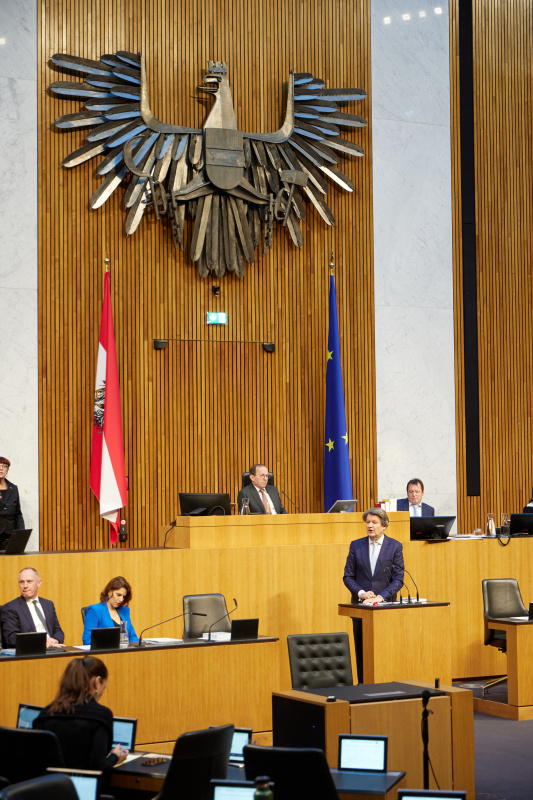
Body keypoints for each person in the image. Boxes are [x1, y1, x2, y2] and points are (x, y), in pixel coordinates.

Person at [33, 656, 128, 773]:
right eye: (104, 687)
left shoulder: (45, 714)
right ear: (97, 682)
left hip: (48, 788)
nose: (103, 691)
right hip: (83, 788)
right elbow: (98, 769)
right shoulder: (101, 716)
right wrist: (115, 757)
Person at [343, 508, 404, 684]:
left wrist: (381, 597)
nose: (370, 525)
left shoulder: (394, 546)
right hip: (362, 610)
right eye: (368, 522)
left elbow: (398, 579)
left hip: (385, 609)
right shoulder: (356, 545)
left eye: (374, 522)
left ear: (384, 525)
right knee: (362, 653)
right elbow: (348, 576)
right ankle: (362, 688)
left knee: (386, 652)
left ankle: (388, 686)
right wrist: (361, 593)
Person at [1, 567, 64, 647]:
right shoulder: (10, 608)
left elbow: (58, 631)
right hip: (30, 651)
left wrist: (55, 639)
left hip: (52, 648)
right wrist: (42, 643)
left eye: (29, 581)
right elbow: (12, 638)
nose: (25, 586)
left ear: (39, 583)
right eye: (22, 582)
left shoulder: (48, 604)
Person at [83, 576, 139, 646]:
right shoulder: (95, 610)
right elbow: (87, 640)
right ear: (109, 592)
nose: (121, 599)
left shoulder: (125, 610)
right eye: (118, 595)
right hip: (105, 654)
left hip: (126, 654)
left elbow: (133, 637)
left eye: (123, 596)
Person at [0, 456, 25, 548]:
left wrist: (21, 533)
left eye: (4, 466)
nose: (1, 468)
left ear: (7, 470)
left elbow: (18, 513)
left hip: (10, 537)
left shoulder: (13, 488)